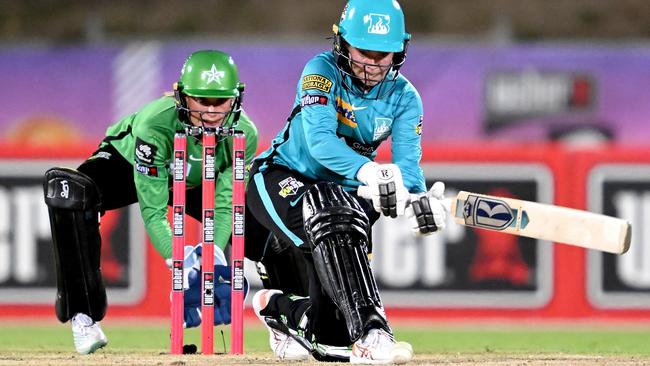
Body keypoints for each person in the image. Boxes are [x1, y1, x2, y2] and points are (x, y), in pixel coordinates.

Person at [244, 0, 447, 364]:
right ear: (342, 43)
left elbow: (406, 165)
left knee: (330, 334)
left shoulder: (405, 98)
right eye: (364, 51)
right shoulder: (320, 72)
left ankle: (277, 309)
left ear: (399, 51)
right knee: (332, 207)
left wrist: (417, 200)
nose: (372, 63)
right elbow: (320, 142)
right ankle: (372, 333)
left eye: (383, 54)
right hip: (282, 178)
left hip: (343, 191)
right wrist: (370, 172)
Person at [42, 50, 258, 354]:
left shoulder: (244, 133)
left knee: (264, 224)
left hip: (195, 178)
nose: (211, 112)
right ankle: (84, 315)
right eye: (201, 101)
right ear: (182, 96)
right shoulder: (154, 125)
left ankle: (291, 320)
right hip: (128, 164)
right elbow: (153, 209)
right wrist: (179, 262)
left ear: (236, 99)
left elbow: (225, 205)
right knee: (69, 193)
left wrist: (212, 257)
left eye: (219, 102)